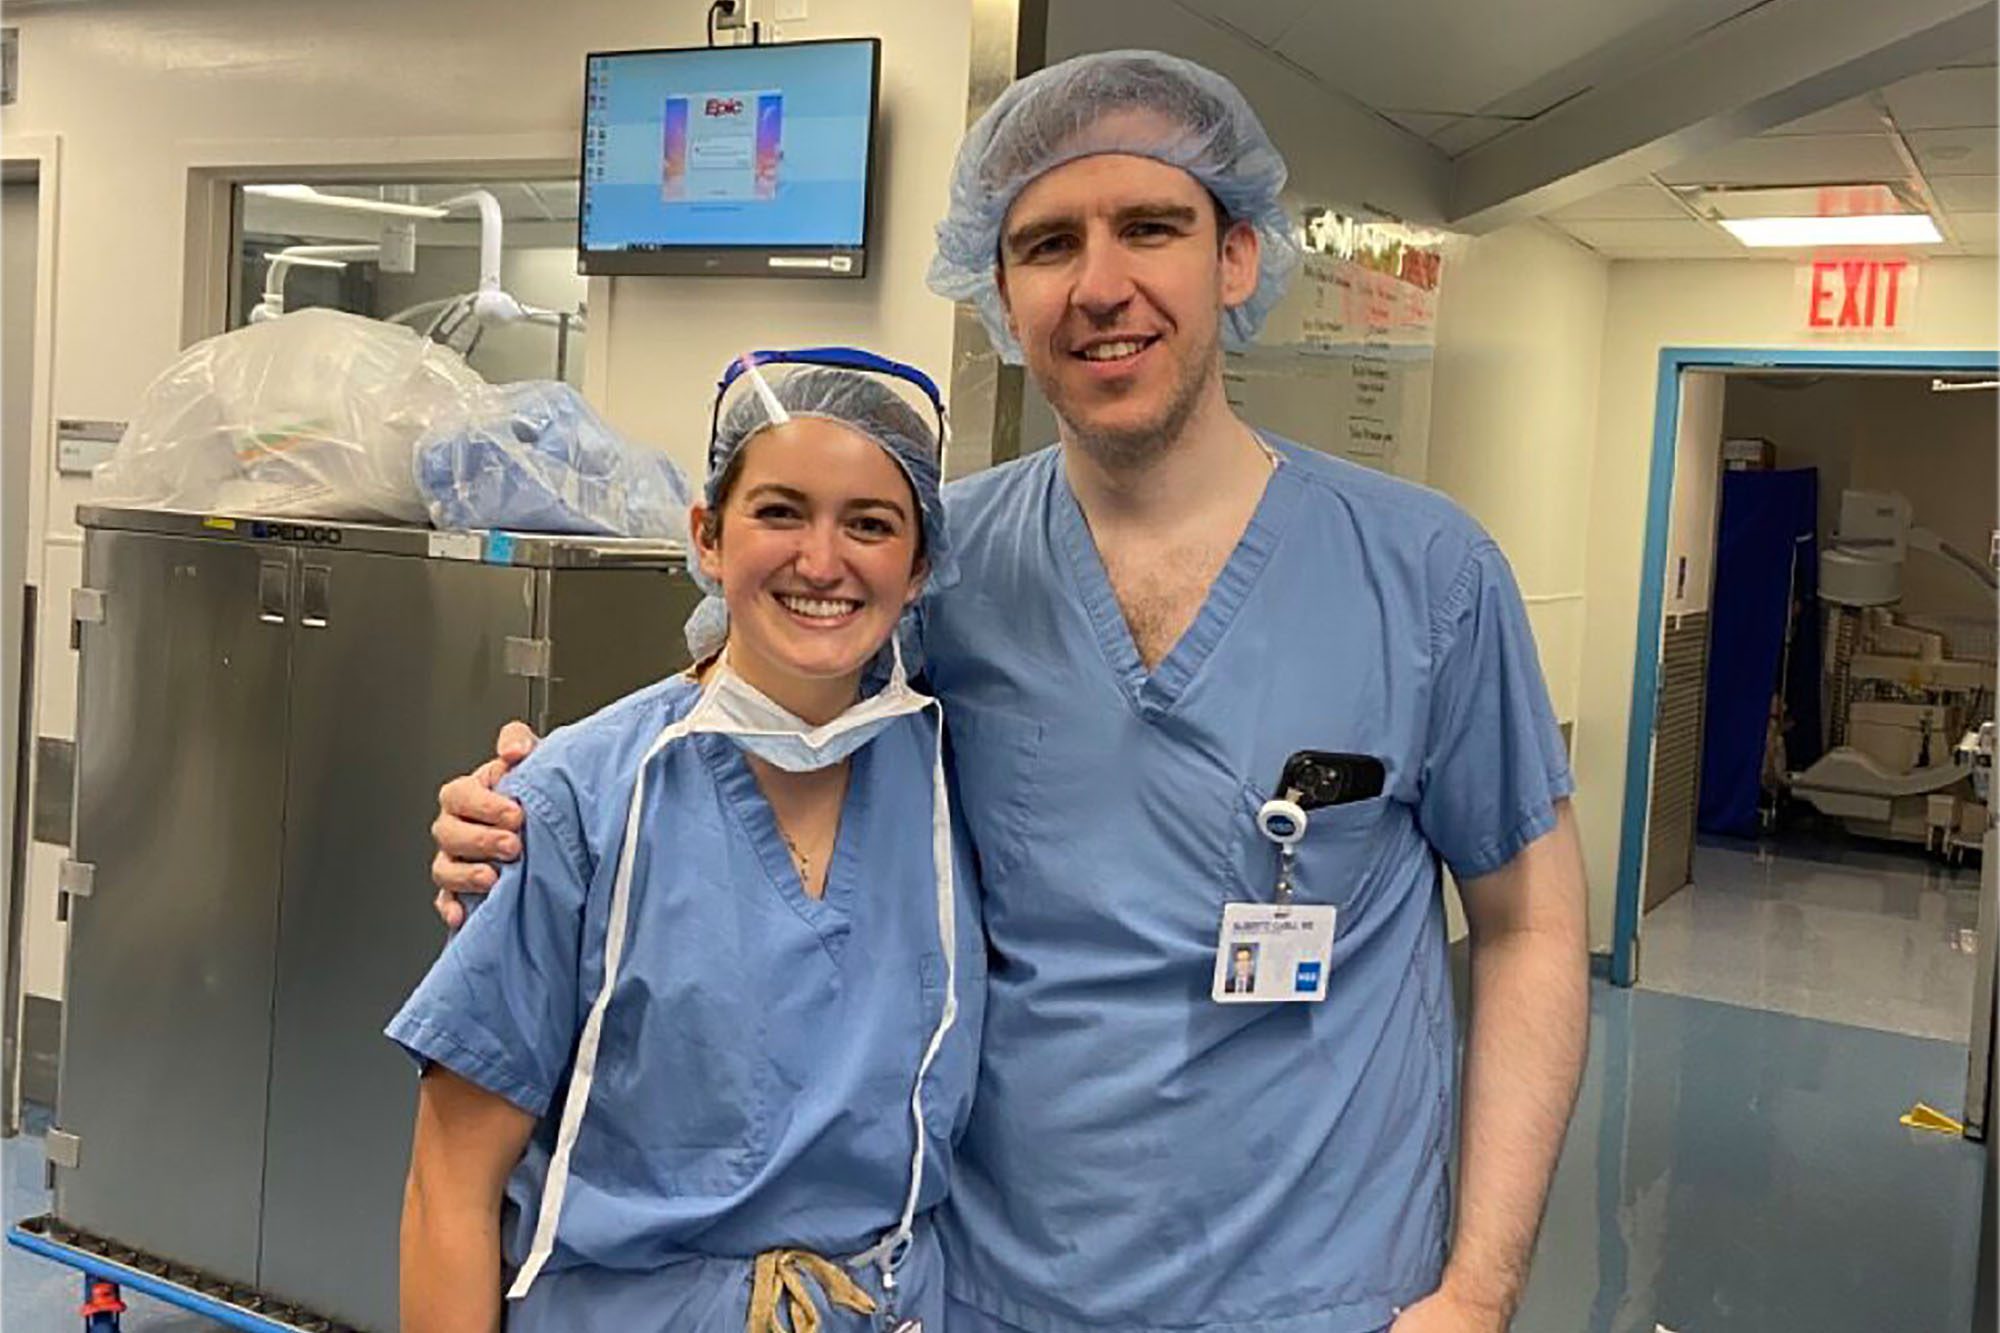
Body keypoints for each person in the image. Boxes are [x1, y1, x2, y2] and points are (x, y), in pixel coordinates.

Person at [433, 50, 1588, 1333]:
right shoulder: (938, 571)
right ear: (999, 287)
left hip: (1324, 1294)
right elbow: (725, 718)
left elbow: (1530, 927)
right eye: (1047, 243)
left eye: (1150, 226)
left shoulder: (1423, 574)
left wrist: (1477, 1290)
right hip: (994, 1291)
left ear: (1238, 258)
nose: (1101, 286)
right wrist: (526, 816)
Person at [393, 353, 984, 1333]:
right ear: (708, 536)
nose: (822, 559)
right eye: (780, 511)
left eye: (870, 524)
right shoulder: (574, 801)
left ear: (918, 566)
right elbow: (447, 1187)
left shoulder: (951, 786)